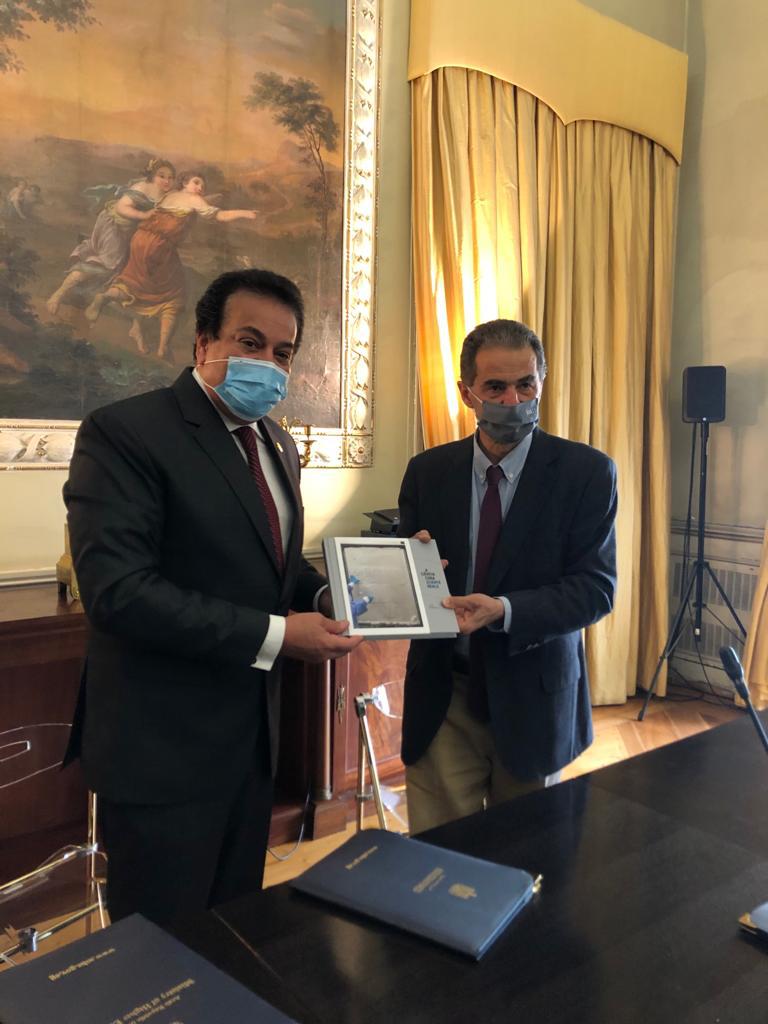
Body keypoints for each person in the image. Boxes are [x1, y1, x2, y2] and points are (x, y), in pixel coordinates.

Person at [64, 267, 362, 925]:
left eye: (283, 352)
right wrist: (280, 635)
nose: (268, 364)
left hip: (250, 746)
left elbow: (275, 564)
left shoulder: (277, 442)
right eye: (250, 343)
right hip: (162, 752)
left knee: (234, 932)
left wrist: (331, 594)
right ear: (203, 343)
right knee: (160, 952)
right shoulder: (126, 432)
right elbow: (119, 592)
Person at [397, 319, 617, 834]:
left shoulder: (587, 472)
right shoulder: (428, 472)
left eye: (526, 384)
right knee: (440, 855)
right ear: (467, 394)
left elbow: (595, 589)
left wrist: (505, 611)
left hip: (534, 695)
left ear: (542, 382)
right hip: (444, 695)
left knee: (528, 858)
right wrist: (408, 571)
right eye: (495, 387)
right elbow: (409, 575)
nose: (513, 400)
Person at [85, 172, 257, 359]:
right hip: (159, 247)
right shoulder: (193, 199)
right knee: (175, 294)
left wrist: (208, 198)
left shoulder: (170, 196)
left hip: (139, 240)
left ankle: (104, 297)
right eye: (196, 182)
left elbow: (190, 205)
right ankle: (163, 347)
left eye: (203, 186)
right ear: (184, 183)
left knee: (133, 282)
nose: (200, 188)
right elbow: (219, 215)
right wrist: (246, 213)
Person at [46, 158, 176, 317]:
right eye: (162, 176)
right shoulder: (142, 188)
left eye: (171, 177)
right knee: (104, 264)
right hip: (113, 227)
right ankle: (58, 295)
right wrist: (144, 215)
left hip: (126, 232)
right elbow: (122, 207)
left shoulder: (165, 193)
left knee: (119, 267)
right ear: (152, 175)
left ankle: (93, 300)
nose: (167, 181)